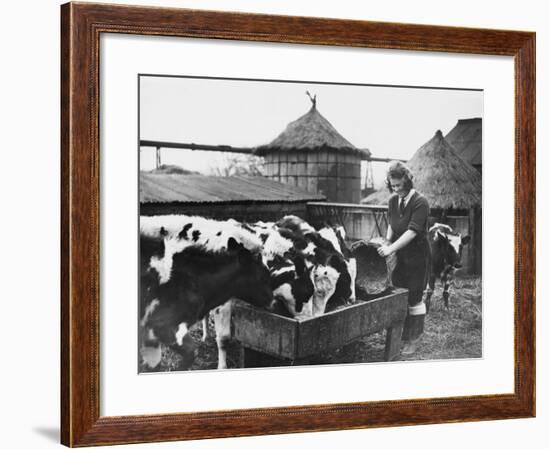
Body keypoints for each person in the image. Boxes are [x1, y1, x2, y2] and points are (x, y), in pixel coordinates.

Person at [377, 161, 430, 355]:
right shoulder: (393, 200)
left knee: (415, 297)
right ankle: (402, 335)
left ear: (407, 182)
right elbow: (392, 222)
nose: (396, 189)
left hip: (417, 256)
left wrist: (390, 248)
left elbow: (412, 232)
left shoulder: (420, 202)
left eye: (399, 185)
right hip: (400, 254)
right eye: (393, 185)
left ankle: (414, 338)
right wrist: (387, 240)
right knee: (400, 294)